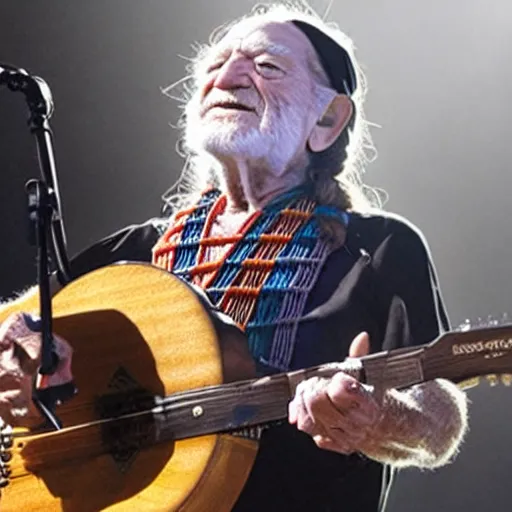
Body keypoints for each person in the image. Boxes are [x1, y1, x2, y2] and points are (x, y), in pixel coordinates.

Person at [0, 2, 468, 511]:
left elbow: (439, 420)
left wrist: (377, 418)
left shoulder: (376, 248)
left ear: (327, 119)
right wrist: (18, 358)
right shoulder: (133, 256)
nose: (228, 76)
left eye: (266, 66)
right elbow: (17, 326)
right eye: (214, 65)